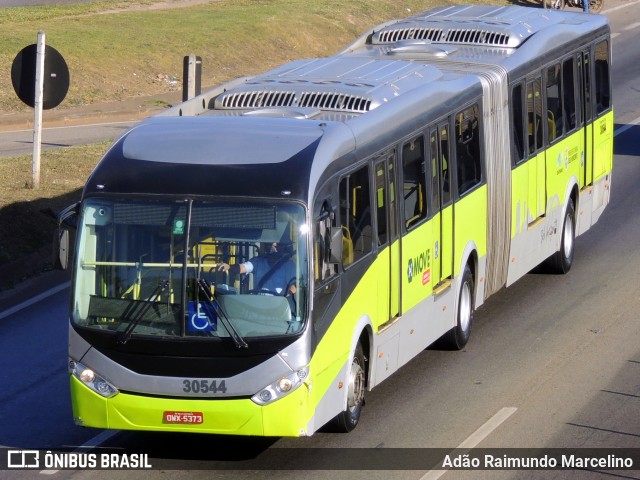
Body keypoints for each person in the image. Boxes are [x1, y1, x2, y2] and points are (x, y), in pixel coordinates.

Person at [218, 243, 297, 296]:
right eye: (271, 244)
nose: (273, 247)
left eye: (276, 245)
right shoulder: (258, 261)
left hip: (278, 306)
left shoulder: (289, 265)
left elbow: (293, 288)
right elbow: (243, 268)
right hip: (257, 304)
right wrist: (229, 267)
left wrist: (285, 300)